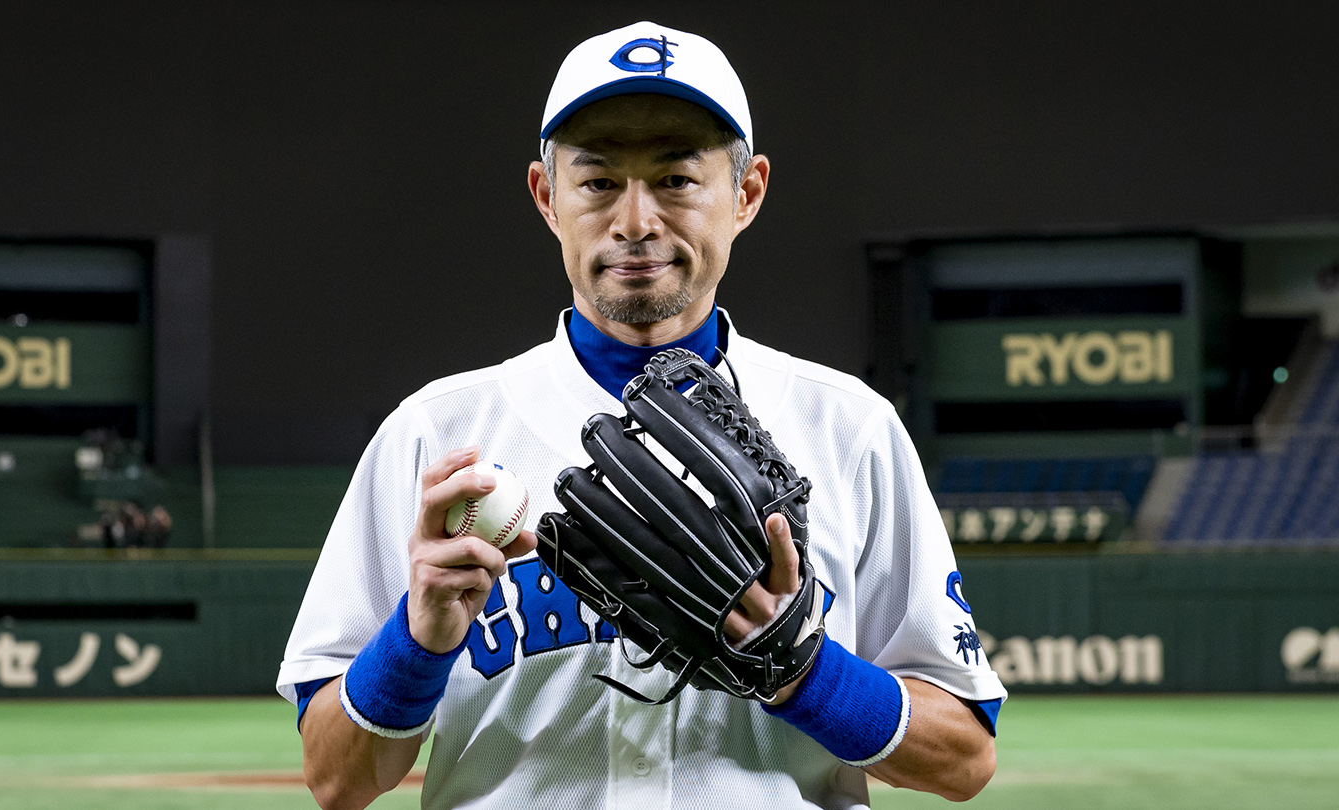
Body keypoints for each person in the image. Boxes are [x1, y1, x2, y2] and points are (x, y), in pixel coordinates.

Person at [278, 21, 1006, 810]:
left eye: (677, 179)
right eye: (597, 182)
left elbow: (963, 760)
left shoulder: (849, 429)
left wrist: (806, 674)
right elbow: (335, 778)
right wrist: (415, 644)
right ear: (547, 197)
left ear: (747, 194)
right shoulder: (436, 435)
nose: (634, 221)